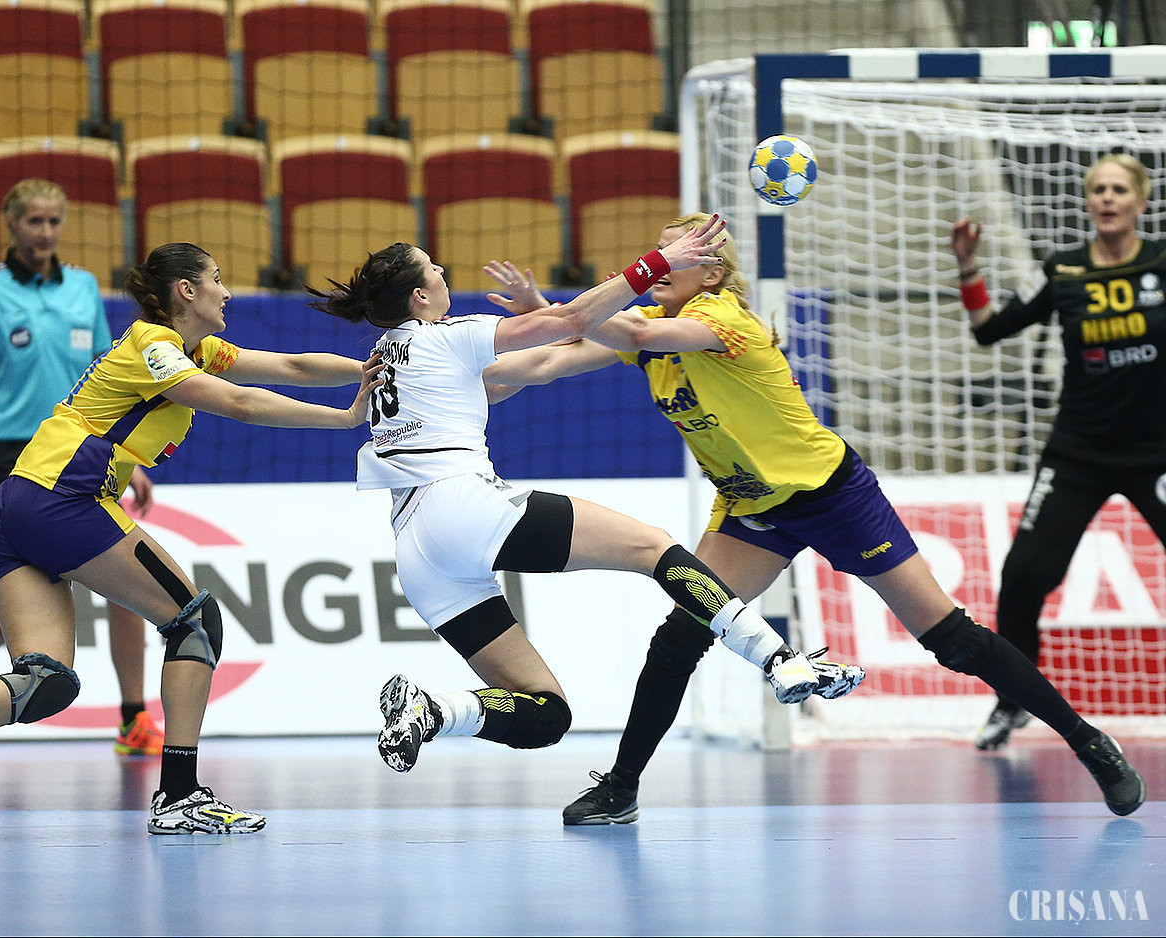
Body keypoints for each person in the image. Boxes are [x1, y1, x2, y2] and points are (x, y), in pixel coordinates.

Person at [480, 210, 1146, 821]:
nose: (660, 266)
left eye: (676, 257)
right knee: (680, 636)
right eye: (658, 253)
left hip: (831, 497)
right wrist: (471, 370)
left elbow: (627, 329)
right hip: (752, 508)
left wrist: (560, 312)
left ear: (710, 274)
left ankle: (1089, 742)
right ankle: (621, 788)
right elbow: (549, 361)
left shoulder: (721, 321)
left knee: (953, 641)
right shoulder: (650, 329)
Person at [306, 215, 865, 779]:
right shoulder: (449, 335)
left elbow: (529, 366)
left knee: (545, 713)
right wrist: (657, 264)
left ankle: (434, 711)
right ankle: (778, 660)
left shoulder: (391, 356)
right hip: (461, 506)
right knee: (653, 548)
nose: (444, 269)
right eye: (434, 268)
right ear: (420, 296)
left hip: (417, 552)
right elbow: (569, 321)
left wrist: (550, 317)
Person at [0, 242, 379, 834]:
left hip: (19, 504)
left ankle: (178, 796)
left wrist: (370, 370)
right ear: (187, 290)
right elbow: (240, 404)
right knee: (194, 622)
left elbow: (291, 366)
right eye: (217, 278)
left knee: (44, 683)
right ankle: (180, 796)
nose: (227, 292)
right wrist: (345, 419)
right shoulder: (156, 346)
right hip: (63, 499)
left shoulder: (195, 349)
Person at [951, 152, 1166, 751]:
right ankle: (1011, 701)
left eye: (1118, 189)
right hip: (1079, 453)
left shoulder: (1161, 262)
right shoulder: (1064, 269)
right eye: (1098, 189)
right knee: (1022, 576)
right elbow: (989, 329)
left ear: (1141, 201)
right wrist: (968, 267)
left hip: (1158, 453)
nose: (1107, 198)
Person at [0, 178, 163, 755]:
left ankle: (133, 718)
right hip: (13, 453)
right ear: (10, 224)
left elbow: (110, 376)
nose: (46, 232)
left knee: (124, 579)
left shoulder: (82, 287)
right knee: (28, 589)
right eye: (34, 221)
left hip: (85, 451)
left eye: (54, 221)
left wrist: (130, 455)